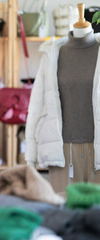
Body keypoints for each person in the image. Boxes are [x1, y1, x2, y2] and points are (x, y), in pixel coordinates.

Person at [25, 3, 100, 193]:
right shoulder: (51, 55)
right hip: (61, 152)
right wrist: (30, 158)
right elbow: (36, 108)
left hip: (98, 148)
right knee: (63, 212)